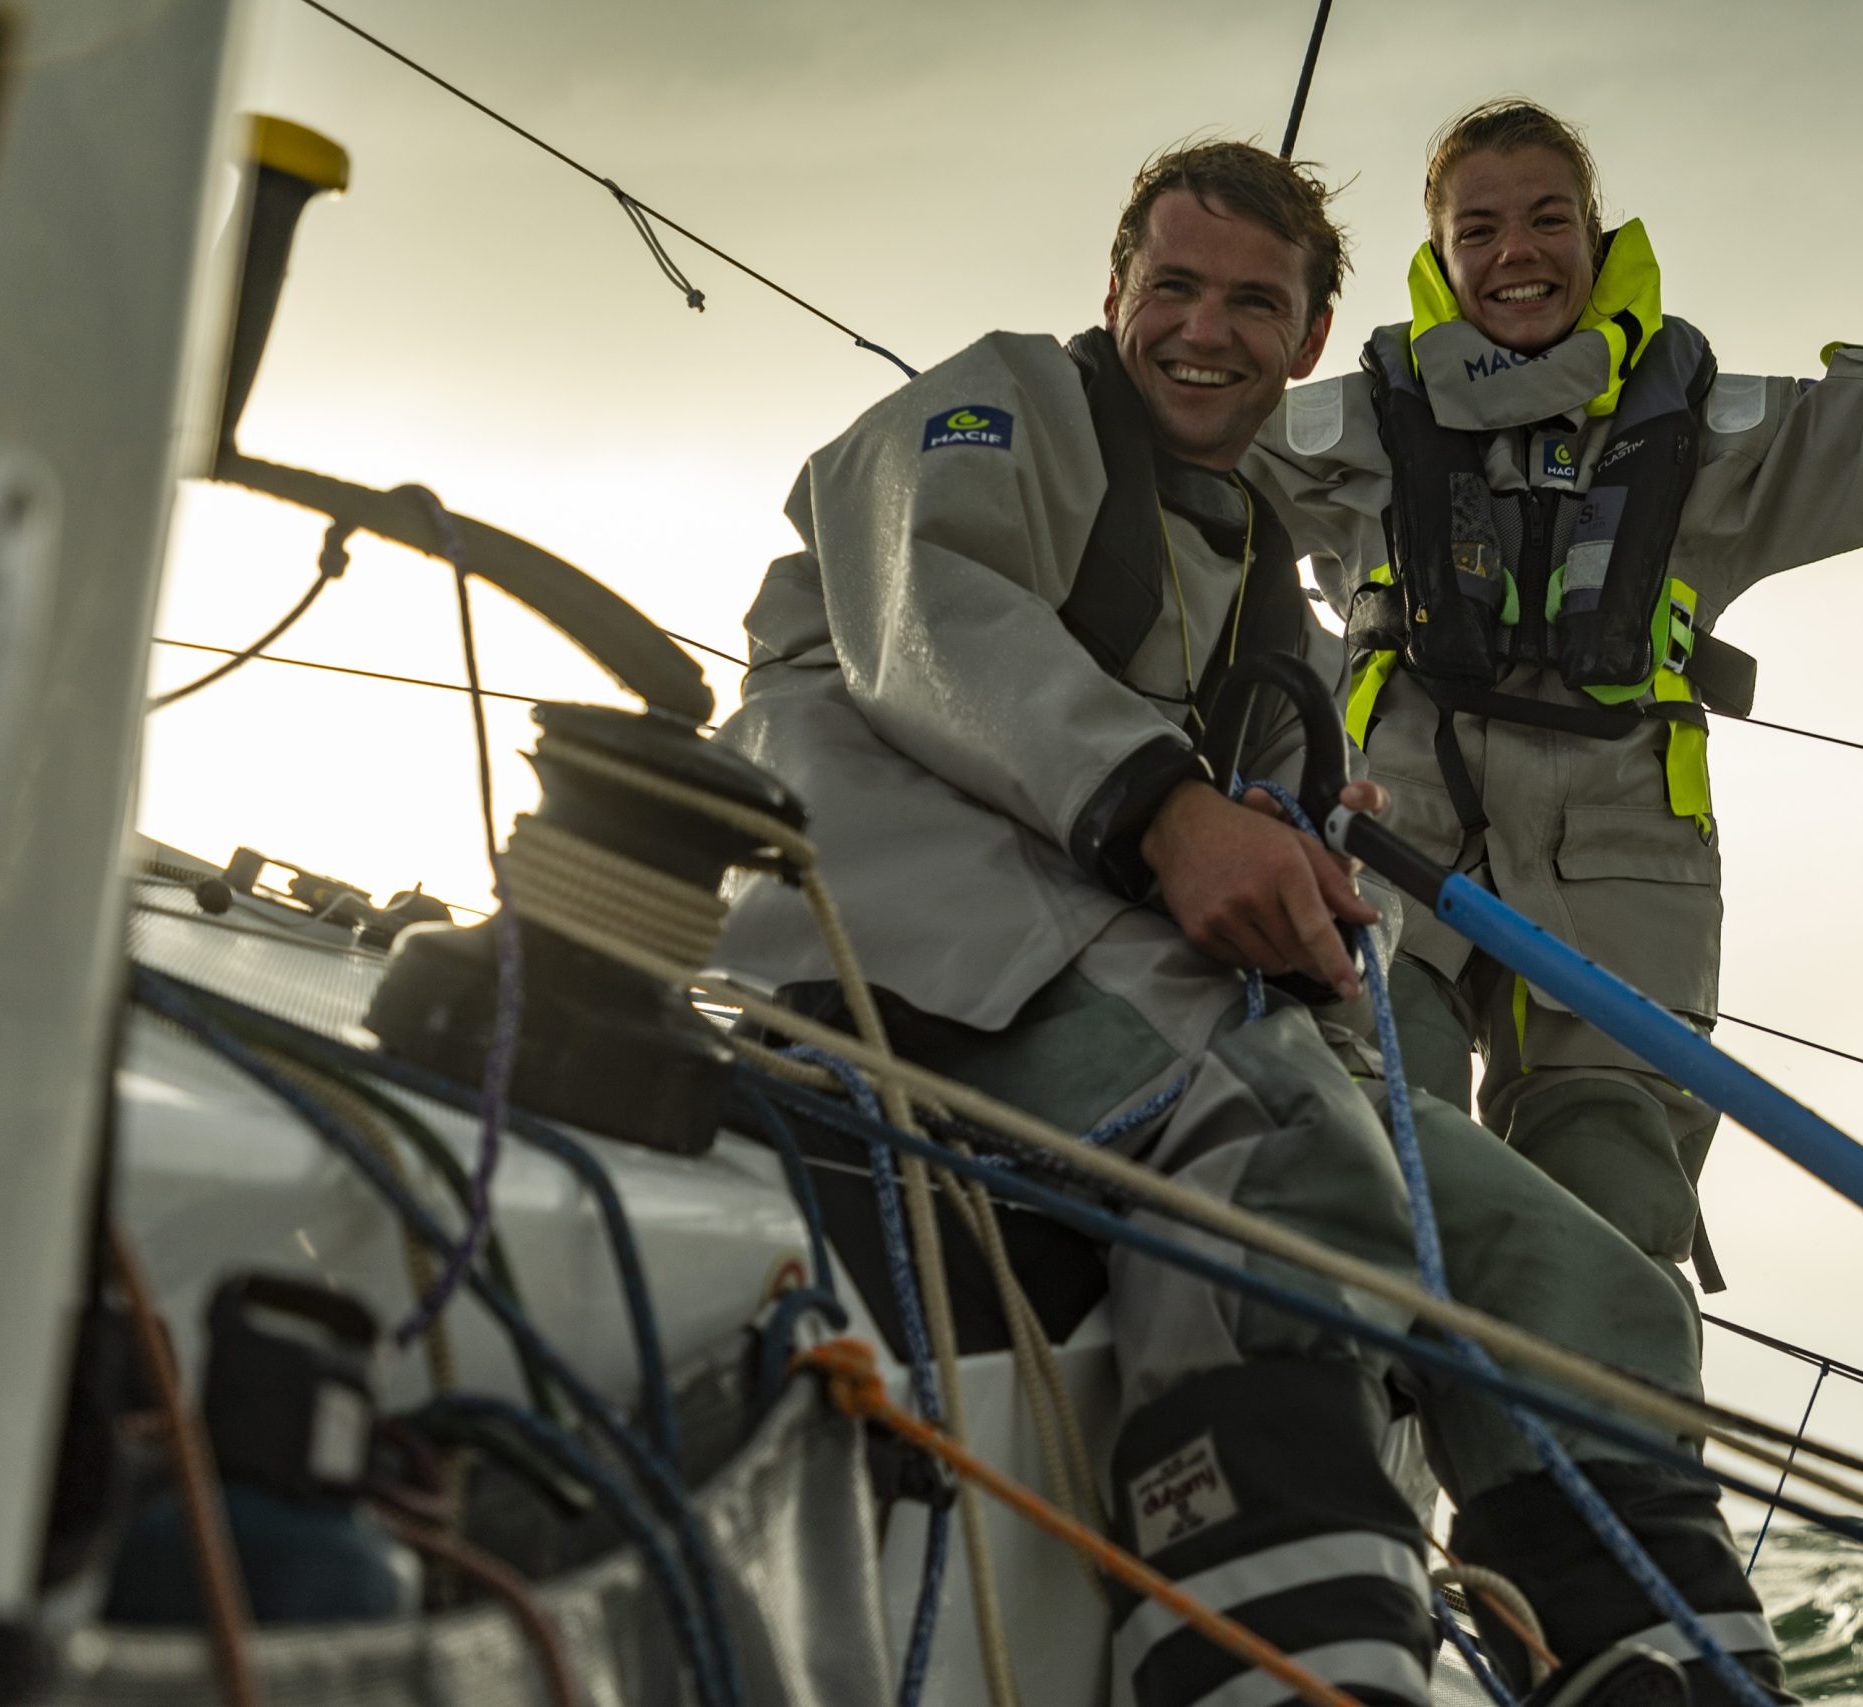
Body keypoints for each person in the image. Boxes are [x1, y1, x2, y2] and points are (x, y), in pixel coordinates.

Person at [715, 141, 1790, 1707]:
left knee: (1594, 1288)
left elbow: (1276, 846)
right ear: (1116, 294)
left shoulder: (1259, 596)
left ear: (1302, 347)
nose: (1202, 329)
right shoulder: (1006, 402)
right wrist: (1165, 804)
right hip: (918, 954)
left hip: (1147, 990)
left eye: (1252, 303)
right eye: (1174, 287)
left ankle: (1680, 1678)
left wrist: (1320, 936)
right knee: (1289, 1160)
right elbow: (925, 606)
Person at [1245, 97, 1863, 1307]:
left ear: (1597, 239)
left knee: (1609, 1222)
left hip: (1622, 891)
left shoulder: (1706, 430)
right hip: (1393, 863)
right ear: (1440, 256)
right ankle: (1349, 1440)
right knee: (1363, 1154)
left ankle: (1591, 1478)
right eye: (1480, 228)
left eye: (1549, 219)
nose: (1517, 253)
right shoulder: (1346, 430)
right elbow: (1173, 449)